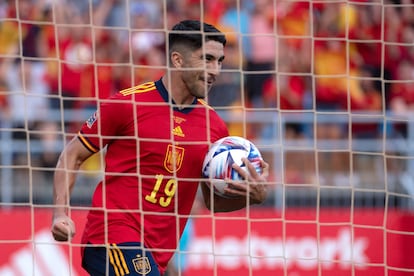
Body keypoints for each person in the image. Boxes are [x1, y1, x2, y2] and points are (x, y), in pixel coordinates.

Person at [51, 20, 269, 276]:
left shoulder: (215, 128)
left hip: (157, 254)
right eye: (207, 59)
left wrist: (252, 196)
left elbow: (212, 201)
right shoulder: (128, 103)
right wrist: (59, 213)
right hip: (110, 237)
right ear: (177, 60)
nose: (215, 70)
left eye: (219, 61)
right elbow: (72, 155)